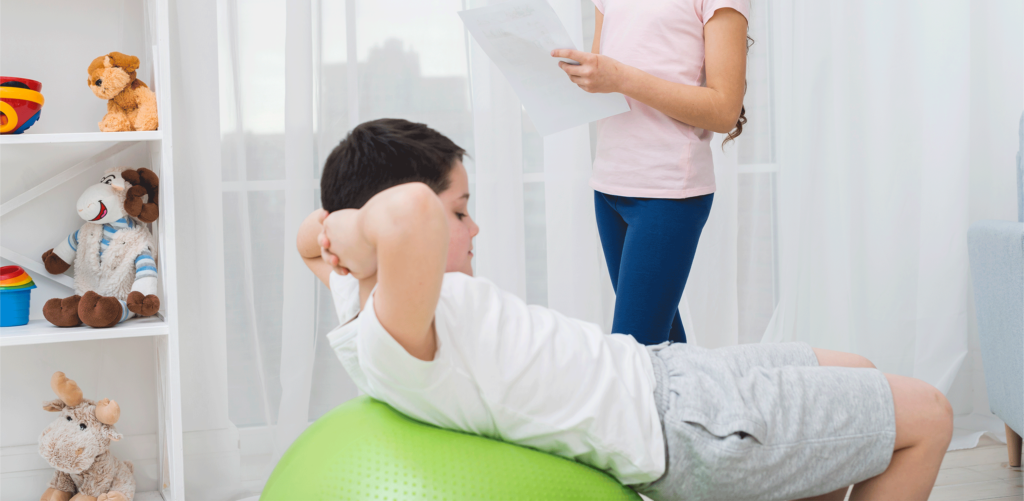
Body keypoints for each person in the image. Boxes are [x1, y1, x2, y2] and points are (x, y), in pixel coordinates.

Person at [297, 118, 954, 501]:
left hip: (669, 375)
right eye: (461, 212)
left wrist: (339, 237)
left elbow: (309, 234)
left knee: (855, 367)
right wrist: (361, 233)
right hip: (687, 426)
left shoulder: (362, 298)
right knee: (928, 412)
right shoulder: (395, 329)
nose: (474, 229)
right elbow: (409, 209)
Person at [550, 0, 751, 345]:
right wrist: (575, 71)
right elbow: (604, 82)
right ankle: (704, 427)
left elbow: (724, 109)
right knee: (661, 349)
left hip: (669, 190)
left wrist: (620, 75)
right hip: (610, 182)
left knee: (631, 351)